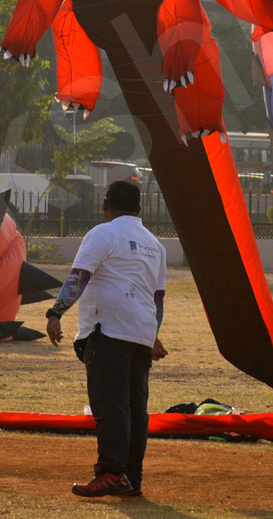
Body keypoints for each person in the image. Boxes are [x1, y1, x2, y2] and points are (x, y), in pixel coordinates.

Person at [46, 180, 168, 498]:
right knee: (135, 407)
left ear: (105, 205)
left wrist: (56, 312)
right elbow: (158, 300)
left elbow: (79, 277)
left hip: (108, 331)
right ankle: (131, 478)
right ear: (140, 209)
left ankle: (112, 472)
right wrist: (152, 334)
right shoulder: (156, 245)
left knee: (110, 402)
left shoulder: (103, 234)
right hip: (140, 333)